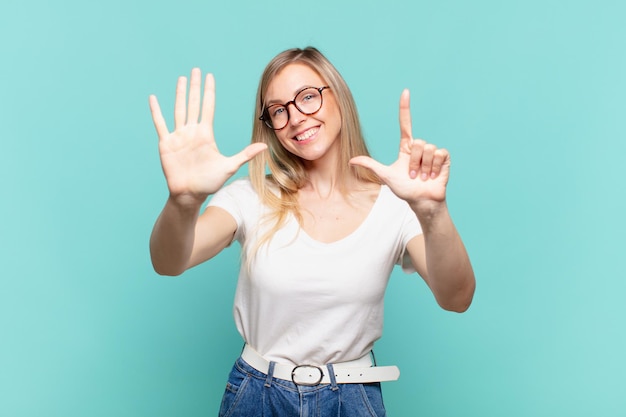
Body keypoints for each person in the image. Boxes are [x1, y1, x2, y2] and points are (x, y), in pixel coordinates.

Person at [148, 46, 475, 417]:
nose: (296, 118)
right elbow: (169, 261)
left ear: (339, 96)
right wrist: (184, 200)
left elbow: (457, 298)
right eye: (278, 110)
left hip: (352, 398)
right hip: (257, 395)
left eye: (307, 97)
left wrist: (433, 212)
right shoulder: (249, 196)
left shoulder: (397, 205)